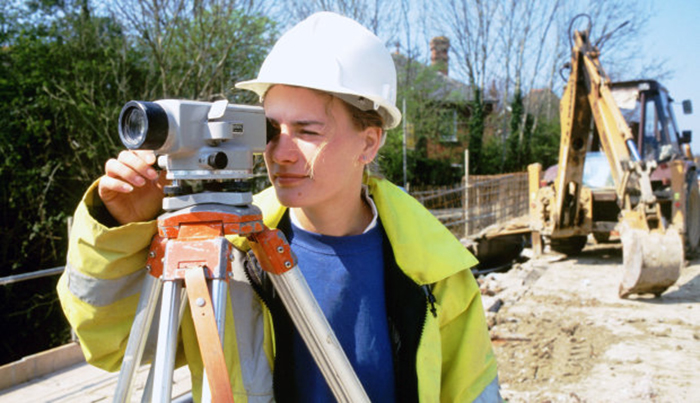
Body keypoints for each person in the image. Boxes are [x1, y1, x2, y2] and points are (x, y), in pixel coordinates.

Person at [58, 11, 500, 402]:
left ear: (369, 142)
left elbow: (472, 392)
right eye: (270, 129)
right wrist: (115, 224)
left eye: (307, 131)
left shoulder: (435, 270)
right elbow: (112, 347)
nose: (280, 152)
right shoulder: (224, 252)